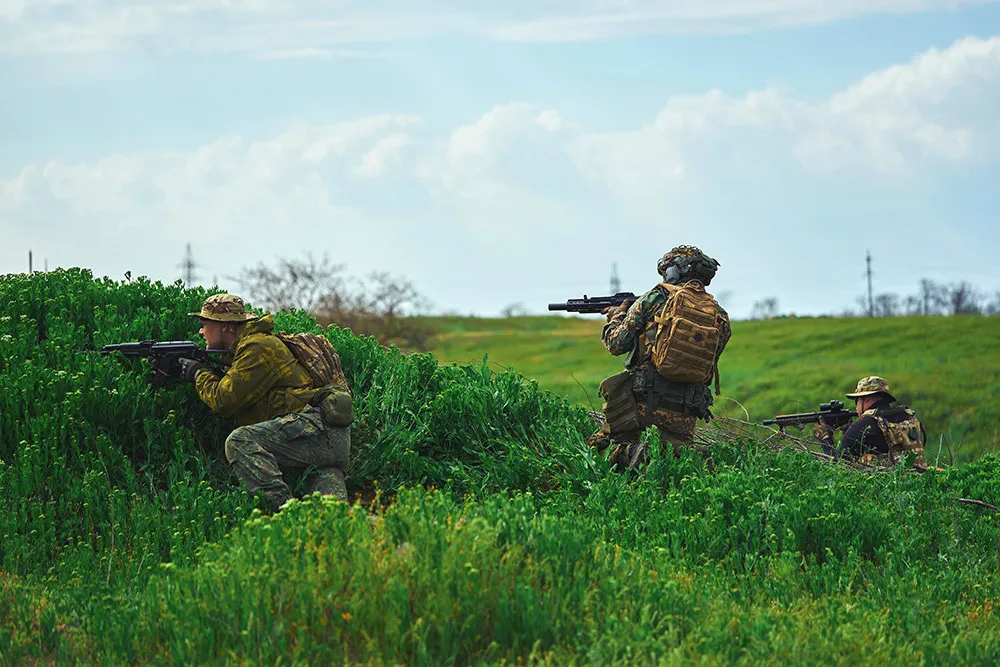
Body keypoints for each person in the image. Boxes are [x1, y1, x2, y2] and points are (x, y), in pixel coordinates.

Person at [175, 293, 352, 512]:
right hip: (321, 441)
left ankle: (285, 512)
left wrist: (197, 374)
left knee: (240, 442)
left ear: (225, 327)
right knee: (335, 520)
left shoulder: (257, 347)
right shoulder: (248, 348)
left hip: (316, 433)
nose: (201, 331)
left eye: (205, 324)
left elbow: (224, 401)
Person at [587, 245, 732, 470]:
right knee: (673, 462)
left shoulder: (655, 298)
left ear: (674, 272)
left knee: (600, 450)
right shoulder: (719, 315)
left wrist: (615, 317)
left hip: (644, 402)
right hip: (686, 409)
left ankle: (633, 454)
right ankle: (699, 464)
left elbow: (616, 344)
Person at [814, 375, 927, 468]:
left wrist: (825, 438)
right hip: (915, 480)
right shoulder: (906, 415)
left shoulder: (862, 425)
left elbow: (837, 465)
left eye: (857, 401)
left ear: (866, 398)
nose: (856, 407)